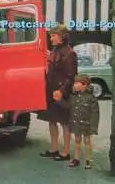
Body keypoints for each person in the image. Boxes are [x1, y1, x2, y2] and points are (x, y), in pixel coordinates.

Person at [38, 23, 78, 161]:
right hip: (50, 90)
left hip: (62, 92)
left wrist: (61, 91)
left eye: (53, 36)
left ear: (62, 37)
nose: (51, 39)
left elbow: (71, 76)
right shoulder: (54, 51)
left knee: (64, 122)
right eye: (51, 36)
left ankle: (65, 152)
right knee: (52, 120)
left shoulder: (70, 53)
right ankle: (54, 149)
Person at [54, 74, 100, 169]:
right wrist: (59, 101)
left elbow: (95, 114)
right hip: (76, 123)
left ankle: (88, 160)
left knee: (87, 142)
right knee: (77, 141)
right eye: (74, 83)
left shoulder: (91, 99)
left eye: (77, 83)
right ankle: (76, 158)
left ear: (84, 85)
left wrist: (94, 127)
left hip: (87, 124)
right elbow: (67, 106)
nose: (74, 85)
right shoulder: (73, 97)